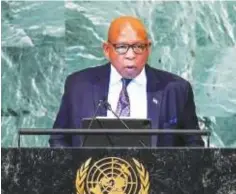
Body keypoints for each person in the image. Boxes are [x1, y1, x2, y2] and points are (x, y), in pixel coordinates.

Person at [49, 16, 204, 147]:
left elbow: (193, 147)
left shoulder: (176, 89)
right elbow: (59, 139)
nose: (130, 55)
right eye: (122, 47)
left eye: (138, 47)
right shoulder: (79, 85)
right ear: (107, 50)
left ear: (148, 49)